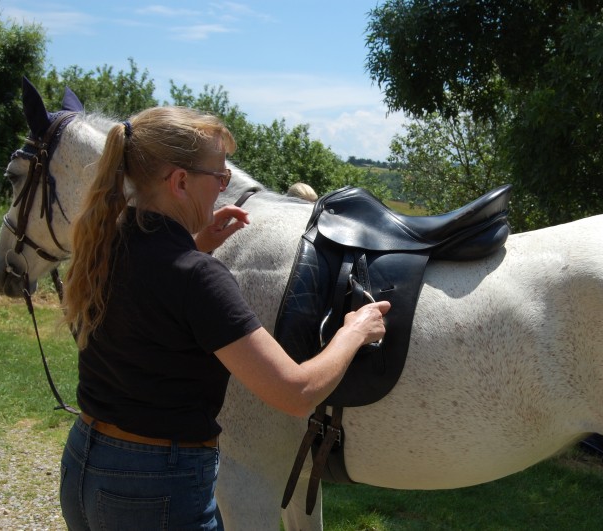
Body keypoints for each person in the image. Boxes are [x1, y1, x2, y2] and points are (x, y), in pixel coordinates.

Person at [58, 106, 390, 530]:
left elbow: (155, 295)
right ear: (180, 182)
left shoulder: (107, 244)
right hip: (155, 489)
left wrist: (195, 242)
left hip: (85, 463)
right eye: (218, 176)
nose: (222, 187)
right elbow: (296, 393)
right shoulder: (197, 277)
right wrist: (353, 333)